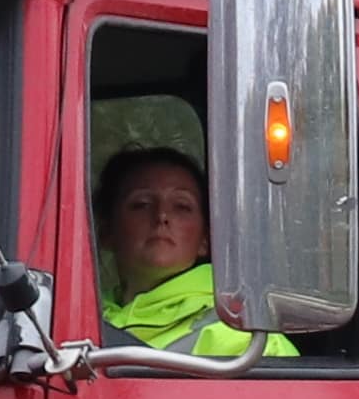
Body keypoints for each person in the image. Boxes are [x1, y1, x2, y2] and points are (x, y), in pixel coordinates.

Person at [92, 142, 287, 364]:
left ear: (205, 239)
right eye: (142, 204)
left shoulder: (251, 341)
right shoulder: (75, 318)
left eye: (182, 206)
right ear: (107, 230)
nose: (161, 216)